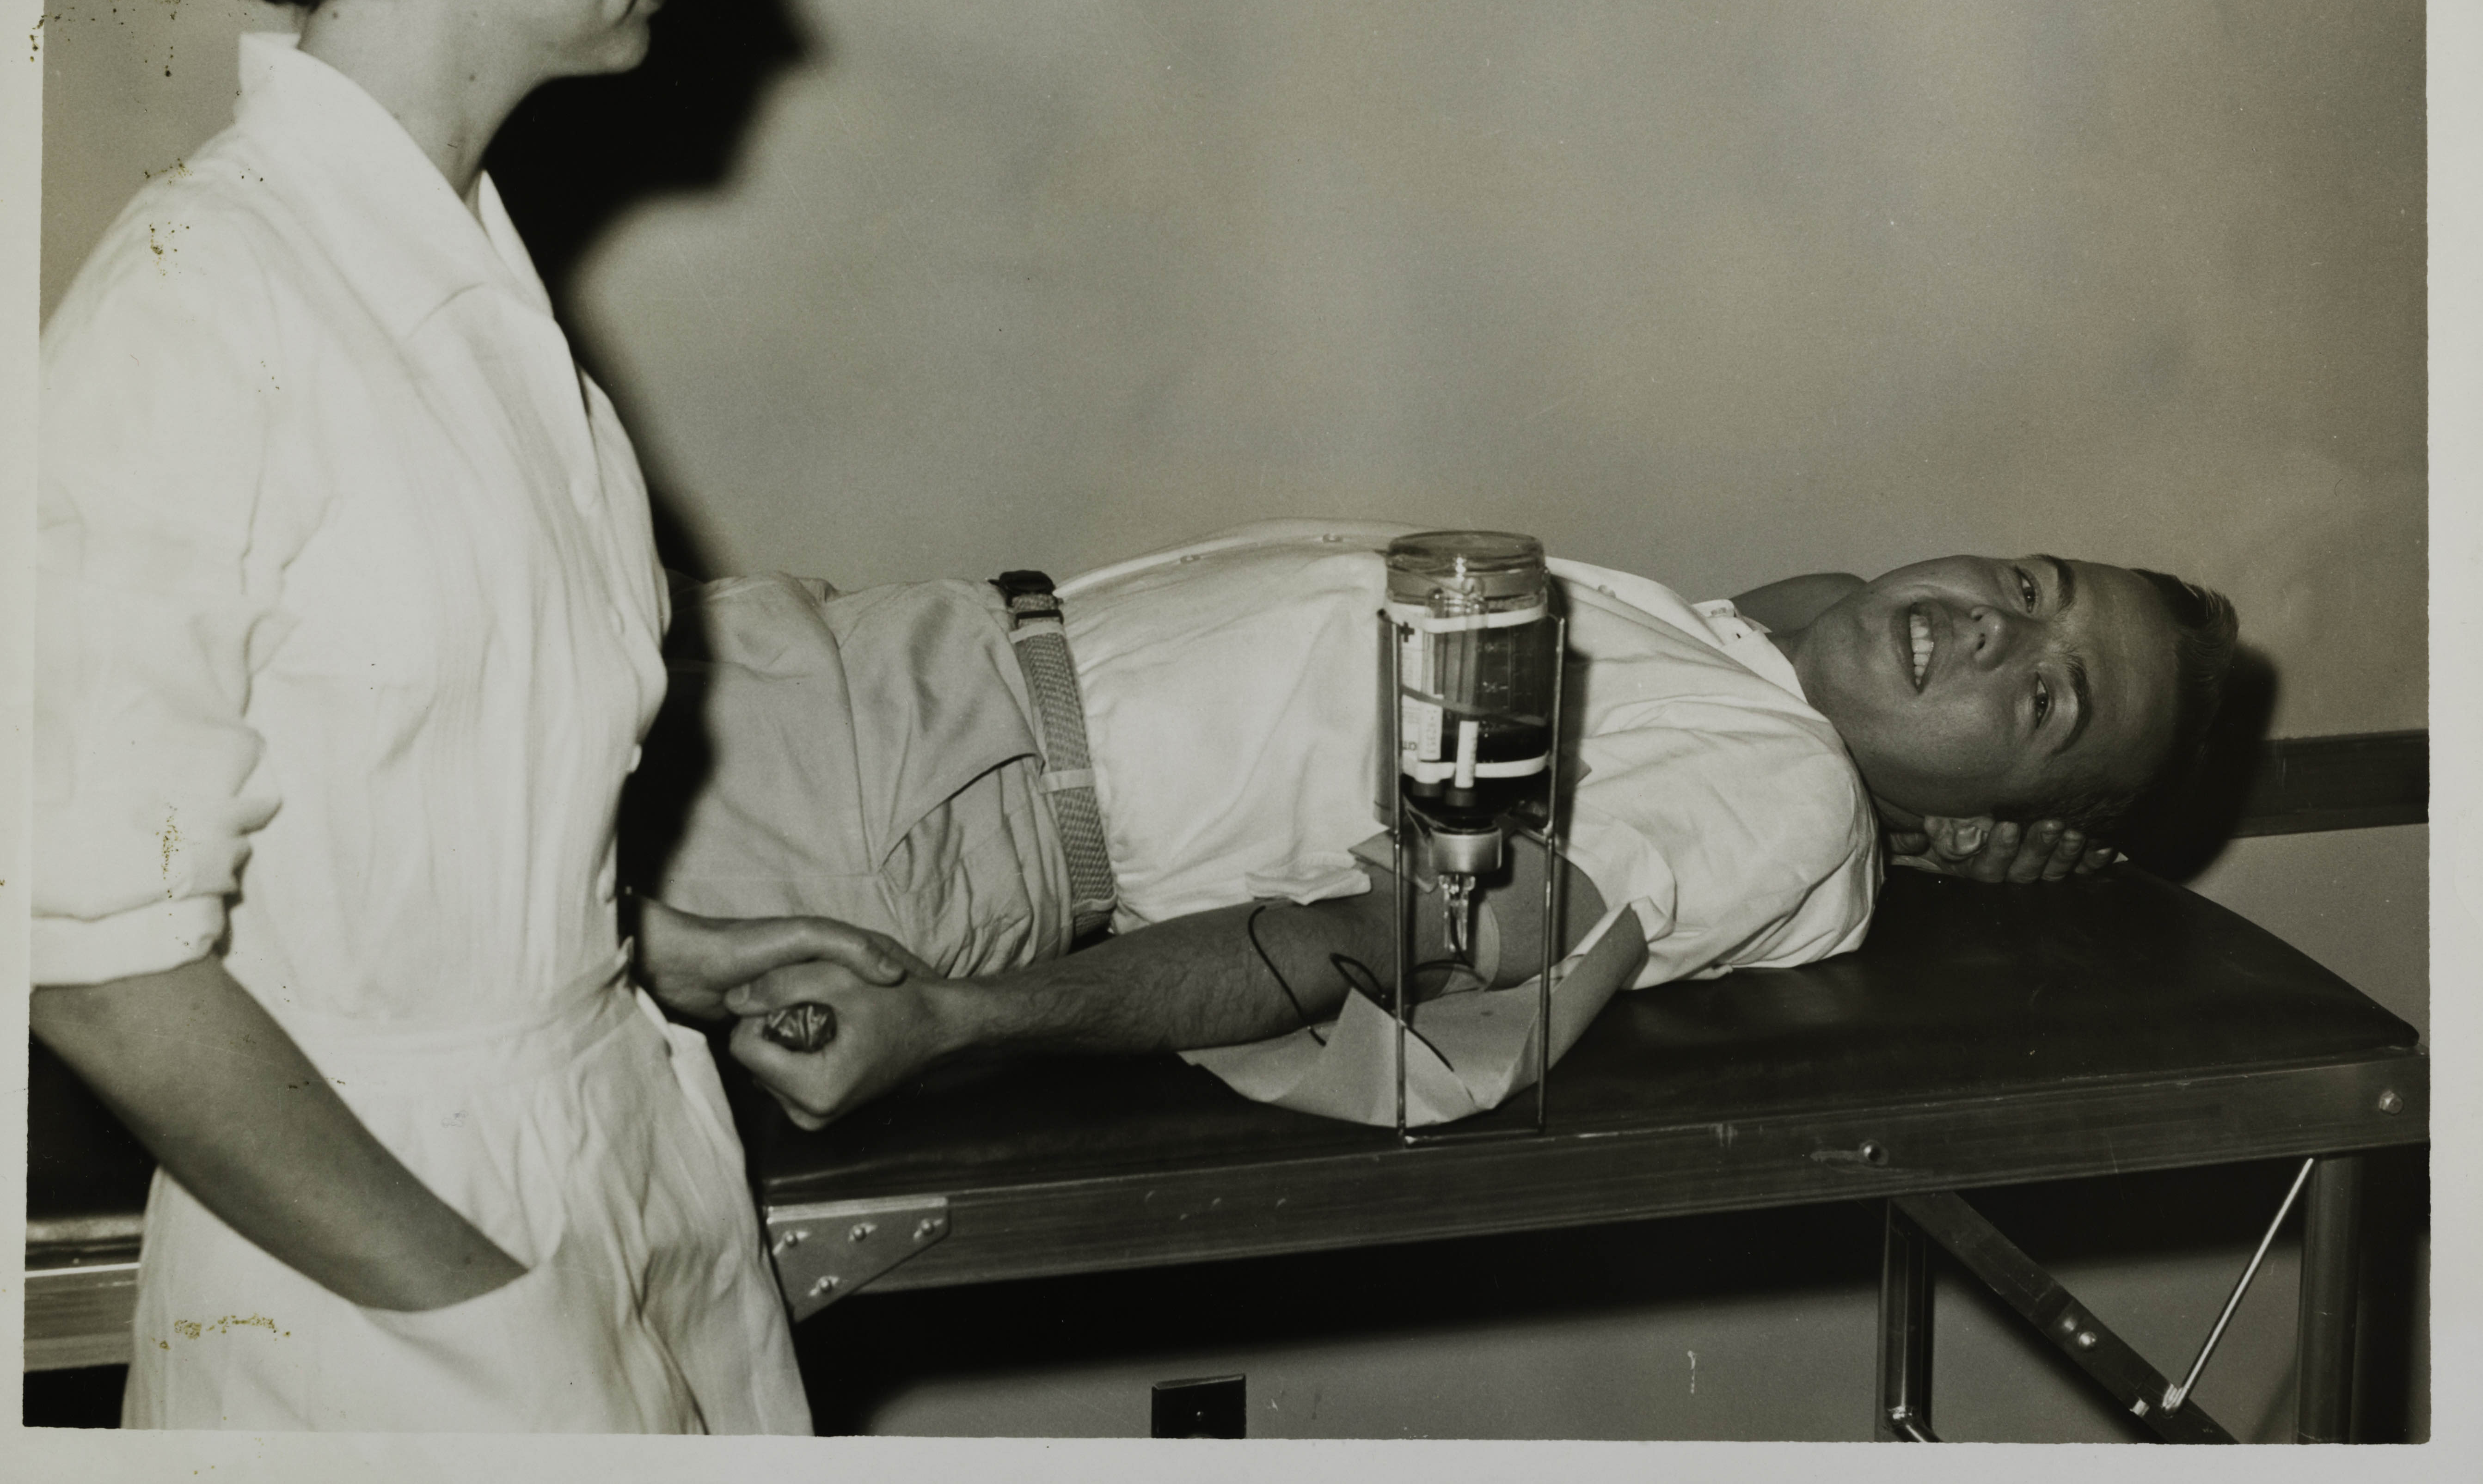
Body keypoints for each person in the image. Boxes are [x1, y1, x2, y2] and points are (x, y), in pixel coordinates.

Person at [30, 0, 915, 1433]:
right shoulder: (195, 310)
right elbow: (94, 963)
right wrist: (485, 1315)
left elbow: (385, 780)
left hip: (589, 1176)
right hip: (377, 1287)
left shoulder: (461, 278)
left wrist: (626, 942)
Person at [632, 519, 2237, 1129]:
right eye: (2026, 587)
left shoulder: (1788, 792)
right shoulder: (1752, 662)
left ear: (1976, 829)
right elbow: (1828, 605)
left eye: (2047, 702)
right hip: (901, 664)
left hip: (934, 813)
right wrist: (1984, 813)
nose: (1991, 634)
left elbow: (1418, 954)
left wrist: (963, 1019)